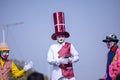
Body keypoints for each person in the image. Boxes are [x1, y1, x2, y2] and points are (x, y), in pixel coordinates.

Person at [47, 12, 79, 80]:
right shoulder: (52, 47)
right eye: (59, 36)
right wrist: (59, 61)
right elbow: (49, 60)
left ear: (64, 37)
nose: (61, 38)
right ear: (56, 37)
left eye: (62, 36)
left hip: (69, 74)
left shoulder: (69, 45)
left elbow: (77, 56)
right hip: (57, 74)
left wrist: (71, 60)